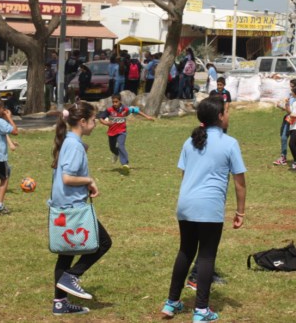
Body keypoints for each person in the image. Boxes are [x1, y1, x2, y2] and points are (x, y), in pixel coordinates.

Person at [161, 96, 246, 322]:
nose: (229, 115)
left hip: (186, 205)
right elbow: (240, 182)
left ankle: (171, 303)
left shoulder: (190, 142)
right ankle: (200, 310)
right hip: (209, 208)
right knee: (207, 256)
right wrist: (240, 212)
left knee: (185, 252)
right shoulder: (230, 143)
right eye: (227, 112)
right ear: (219, 117)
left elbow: (184, 174)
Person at [50, 101, 112, 316]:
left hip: (63, 207)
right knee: (103, 242)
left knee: (66, 253)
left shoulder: (69, 140)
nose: (95, 124)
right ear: (83, 122)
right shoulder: (74, 144)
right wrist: (89, 180)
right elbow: (68, 177)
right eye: (93, 121)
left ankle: (60, 303)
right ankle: (72, 276)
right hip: (73, 208)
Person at [98, 93, 154, 171]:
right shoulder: (109, 110)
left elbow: (136, 110)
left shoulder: (125, 109)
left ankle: (125, 163)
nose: (114, 103)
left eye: (116, 102)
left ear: (120, 101)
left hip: (122, 131)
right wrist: (105, 123)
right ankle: (116, 153)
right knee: (112, 148)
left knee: (121, 145)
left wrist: (147, 116)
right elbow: (100, 117)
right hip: (112, 132)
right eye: (113, 102)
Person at [273, 79, 296, 166]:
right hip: (288, 119)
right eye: (290, 86)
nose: (290, 88)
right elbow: (290, 110)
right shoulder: (290, 95)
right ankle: (283, 157)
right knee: (284, 137)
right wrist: (282, 105)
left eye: (292, 86)